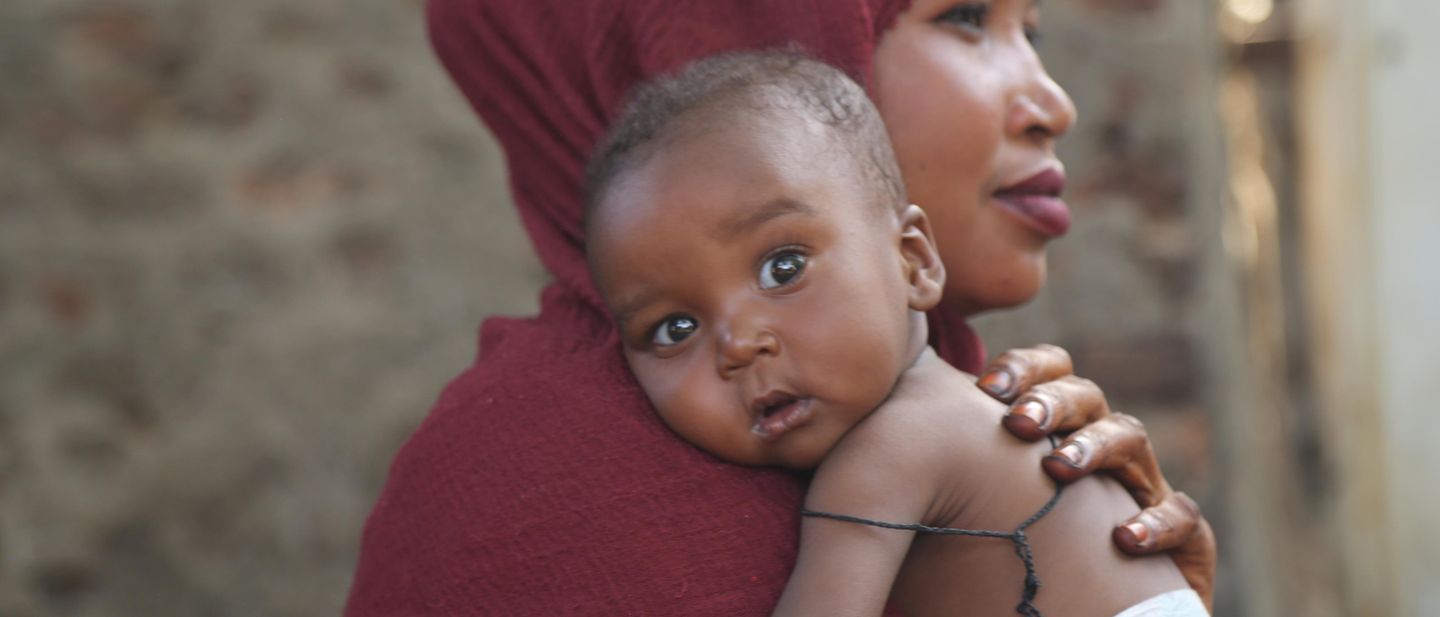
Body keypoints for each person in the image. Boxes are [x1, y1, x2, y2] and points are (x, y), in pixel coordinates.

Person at [344, 1, 1216, 615]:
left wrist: (1145, 581)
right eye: (963, 16)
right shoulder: (530, 507)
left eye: (1034, 29)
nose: (1053, 103)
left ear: (913, 257)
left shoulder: (953, 412)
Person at [584, 50, 1206, 617]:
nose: (738, 344)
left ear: (914, 261)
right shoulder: (977, 414)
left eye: (784, 268)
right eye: (675, 328)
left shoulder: (894, 448)